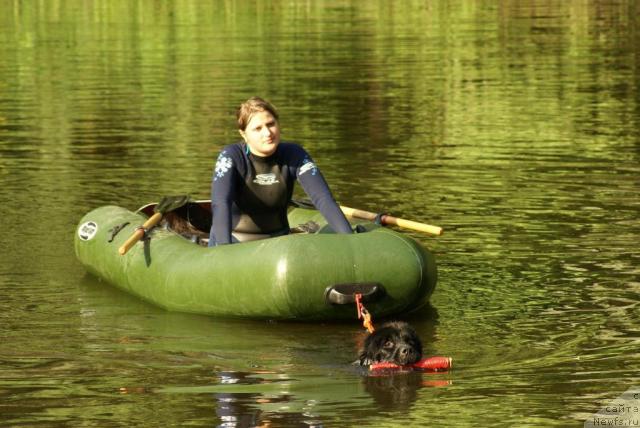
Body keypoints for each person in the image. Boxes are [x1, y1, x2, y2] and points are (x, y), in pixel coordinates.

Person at [208, 97, 353, 246]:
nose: (267, 133)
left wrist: (350, 241)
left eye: (271, 124)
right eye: (258, 128)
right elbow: (221, 203)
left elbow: (323, 199)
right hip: (236, 241)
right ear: (244, 134)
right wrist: (224, 249)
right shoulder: (231, 156)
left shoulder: (294, 154)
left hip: (278, 244)